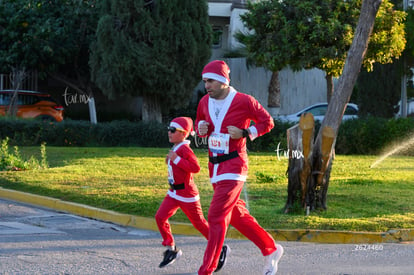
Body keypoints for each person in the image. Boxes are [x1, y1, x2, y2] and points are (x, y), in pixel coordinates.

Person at [195, 60, 284, 275]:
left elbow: (267, 122)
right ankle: (270, 249)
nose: (207, 85)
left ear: (224, 81)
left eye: (212, 81)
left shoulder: (244, 101)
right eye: (205, 81)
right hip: (214, 167)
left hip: (235, 165)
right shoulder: (204, 102)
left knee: (216, 216)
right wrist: (201, 129)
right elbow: (200, 126)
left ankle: (206, 270)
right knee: (236, 215)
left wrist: (246, 133)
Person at [155, 117, 229, 271]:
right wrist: (171, 161)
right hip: (174, 192)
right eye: (169, 128)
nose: (169, 132)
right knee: (160, 217)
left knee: (199, 224)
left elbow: (195, 167)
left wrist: (176, 160)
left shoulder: (185, 149)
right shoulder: (176, 148)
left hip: (187, 195)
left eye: (173, 130)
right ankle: (171, 248)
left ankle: (220, 247)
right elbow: (177, 166)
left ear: (184, 134)